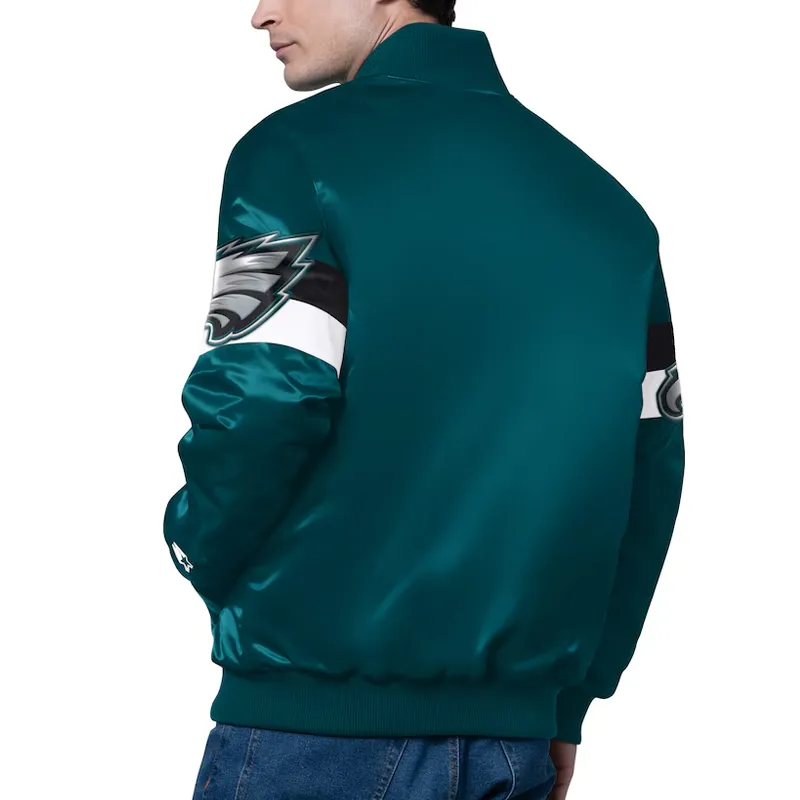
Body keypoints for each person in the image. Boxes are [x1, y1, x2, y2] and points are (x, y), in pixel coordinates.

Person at [162, 1, 686, 798]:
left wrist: (194, 544)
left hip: (313, 734)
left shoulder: (296, 151)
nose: (262, 13)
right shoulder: (612, 212)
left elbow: (263, 399)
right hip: (516, 744)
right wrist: (569, 701)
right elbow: (649, 468)